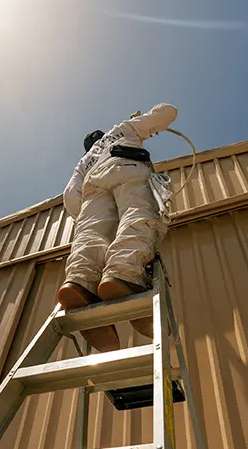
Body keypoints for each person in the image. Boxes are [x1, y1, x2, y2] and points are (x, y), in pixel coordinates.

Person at [57, 103, 178, 352]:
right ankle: (123, 273)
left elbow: (70, 196)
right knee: (137, 215)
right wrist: (152, 119)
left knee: (90, 234)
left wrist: (84, 214)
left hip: (92, 188)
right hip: (126, 167)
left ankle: (79, 281)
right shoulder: (121, 129)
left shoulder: (85, 161)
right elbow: (168, 112)